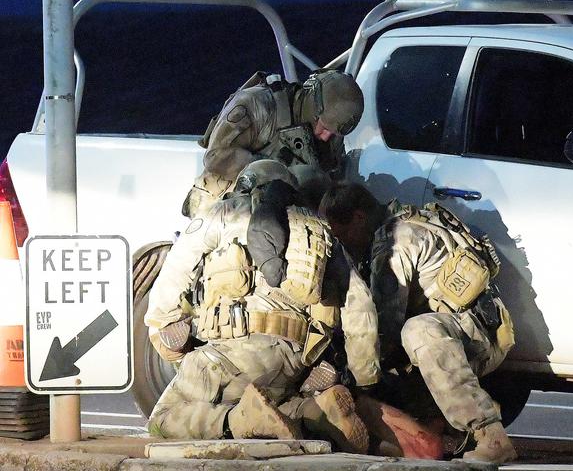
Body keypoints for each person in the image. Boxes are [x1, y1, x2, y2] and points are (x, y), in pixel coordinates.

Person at [145, 161, 380, 453]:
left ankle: (240, 422)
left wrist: (169, 341)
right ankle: (313, 412)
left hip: (233, 352)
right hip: (295, 362)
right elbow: (361, 308)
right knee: (274, 402)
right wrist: (364, 380)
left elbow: (171, 281)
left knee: (162, 420)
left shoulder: (224, 214)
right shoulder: (321, 233)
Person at [318, 182, 517, 464]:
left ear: (359, 218)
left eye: (343, 234)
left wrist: (352, 374)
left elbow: (383, 330)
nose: (345, 245)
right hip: (478, 332)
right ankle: (441, 427)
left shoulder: (394, 245)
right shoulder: (407, 218)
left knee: (415, 332)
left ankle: (491, 435)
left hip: (472, 342)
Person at [183, 69, 364, 219]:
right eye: (323, 127)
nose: (325, 137)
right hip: (224, 202)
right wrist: (278, 172)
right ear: (313, 106)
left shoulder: (333, 132)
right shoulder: (257, 105)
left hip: (278, 209)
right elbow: (216, 157)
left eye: (333, 133)